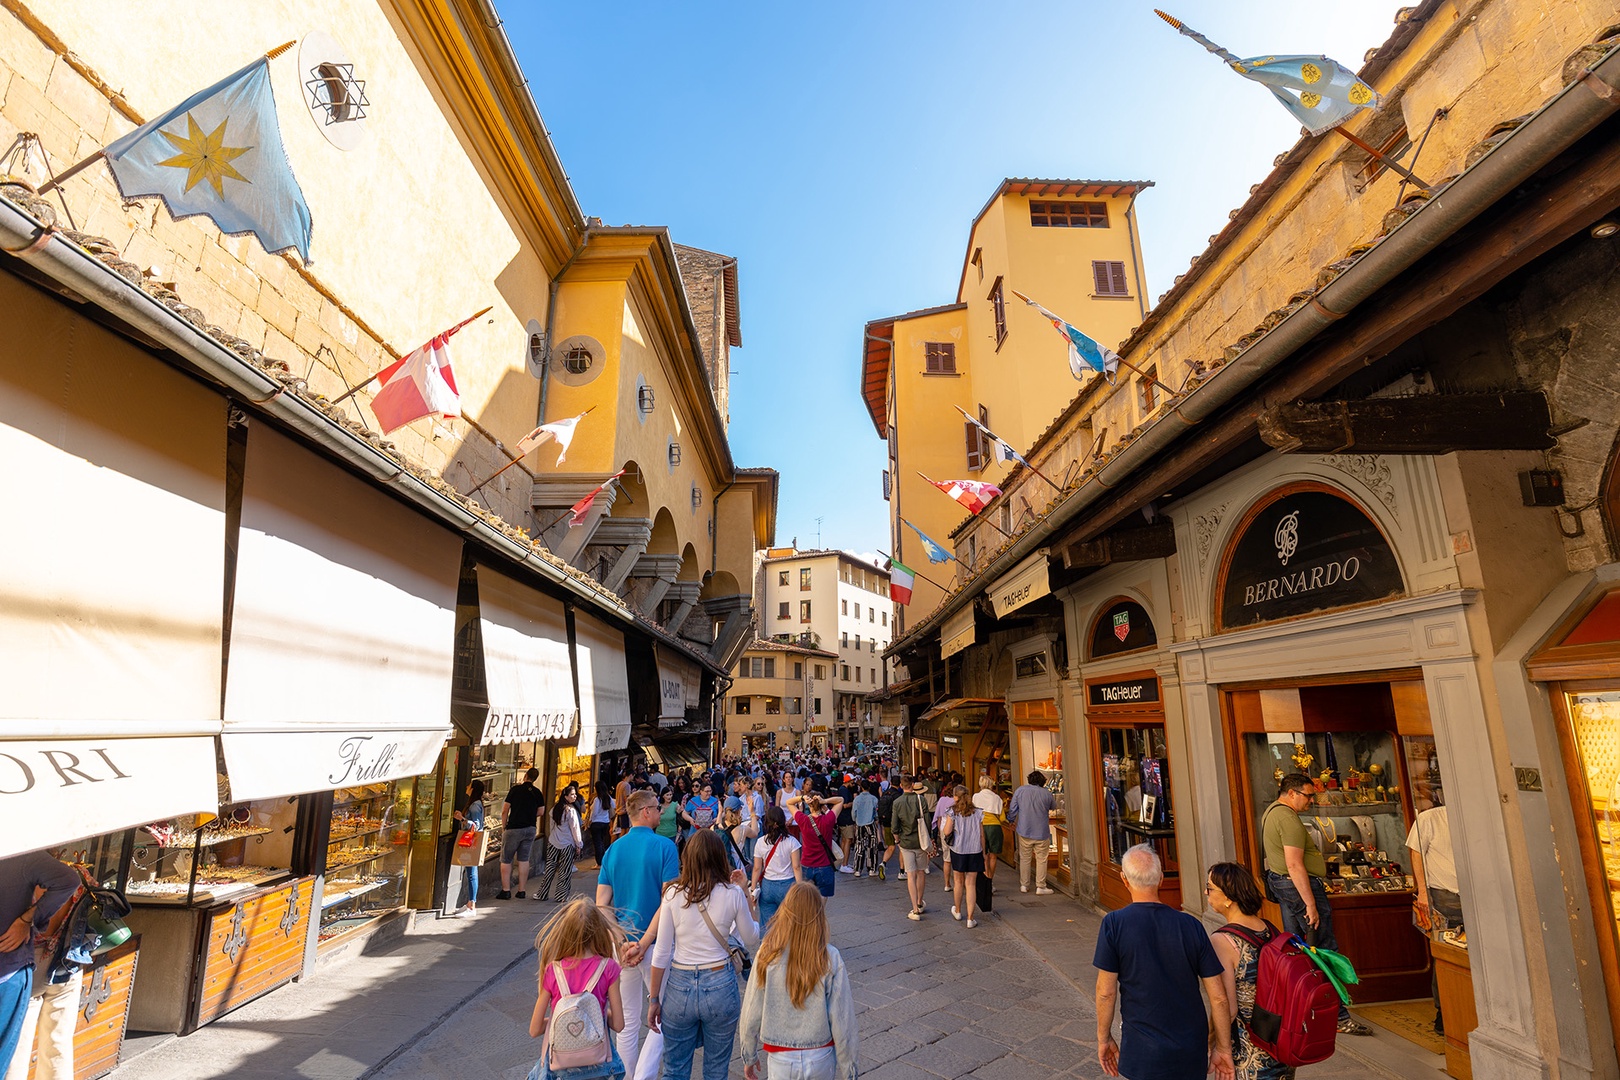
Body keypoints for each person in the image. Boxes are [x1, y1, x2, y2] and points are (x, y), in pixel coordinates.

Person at [1093, 845, 1234, 1080]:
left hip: (1142, 1047)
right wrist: (1223, 1048)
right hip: (1190, 1048)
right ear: (1160, 879)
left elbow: (1106, 992)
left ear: (1124, 879)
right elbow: (1219, 997)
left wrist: (1103, 1037)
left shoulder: (1114, 924)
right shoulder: (1191, 925)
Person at [1261, 773, 1369, 1035]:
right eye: (1308, 795)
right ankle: (1339, 1017)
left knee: (1299, 951)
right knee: (1323, 950)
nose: (1311, 801)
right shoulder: (1288, 818)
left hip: (1284, 885)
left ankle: (1299, 1009)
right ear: (1292, 794)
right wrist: (1310, 903)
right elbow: (1295, 864)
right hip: (1299, 887)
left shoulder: (1271, 812)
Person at [647, 830, 760, 1080]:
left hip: (679, 984)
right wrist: (746, 892)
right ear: (720, 857)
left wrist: (654, 998)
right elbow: (752, 937)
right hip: (719, 981)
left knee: (674, 1069)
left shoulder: (673, 895)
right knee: (716, 1070)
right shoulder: (732, 894)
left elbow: (662, 953)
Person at [596, 789, 681, 1079]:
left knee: (628, 1021)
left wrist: (621, 941)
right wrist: (643, 944)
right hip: (655, 944)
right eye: (657, 808)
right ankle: (643, 1076)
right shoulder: (665, 847)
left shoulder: (613, 849)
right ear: (646, 811)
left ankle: (627, 1074)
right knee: (663, 1017)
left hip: (622, 949)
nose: (660, 812)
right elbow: (668, 900)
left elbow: (602, 903)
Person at [737, 883, 859, 1080]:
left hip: (780, 1056)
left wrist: (748, 1055)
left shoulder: (767, 954)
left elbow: (751, 1010)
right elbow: (843, 1019)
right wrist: (849, 1070)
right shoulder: (830, 957)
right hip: (820, 1054)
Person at [1206, 862, 1293, 1080]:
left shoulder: (1222, 941)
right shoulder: (1269, 929)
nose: (1205, 892)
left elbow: (1227, 1006)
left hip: (1248, 1053)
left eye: (1209, 888)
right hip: (1281, 1045)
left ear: (1228, 897)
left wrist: (1212, 1043)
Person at [526, 897, 626, 1080]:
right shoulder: (609, 968)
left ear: (565, 932)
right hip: (598, 1066)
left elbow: (534, 1029)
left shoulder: (552, 970)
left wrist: (562, 1018)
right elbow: (618, 1024)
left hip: (561, 1070)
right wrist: (593, 1015)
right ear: (600, 932)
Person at [0, 854, 80, 1077]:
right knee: (55, 1041)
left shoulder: (23, 857)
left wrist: (27, 920)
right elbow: (68, 880)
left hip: (22, 969)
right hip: (16, 970)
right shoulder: (22, 855)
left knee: (28, 1048)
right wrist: (27, 920)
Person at [1406, 798, 1461, 1035]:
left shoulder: (1473, 818)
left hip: (1475, 895)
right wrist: (1422, 891)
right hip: (1442, 895)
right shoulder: (1430, 818)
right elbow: (1415, 852)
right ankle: (1444, 1012)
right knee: (1444, 954)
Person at [751, 808, 804, 934]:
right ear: (783, 821)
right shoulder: (792, 842)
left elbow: (757, 868)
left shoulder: (760, 842)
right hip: (788, 884)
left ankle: (766, 949)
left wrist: (753, 889)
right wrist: (800, 886)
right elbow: (796, 867)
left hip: (768, 886)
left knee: (767, 924)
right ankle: (788, 949)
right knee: (790, 921)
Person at [939, 784, 985, 929]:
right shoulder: (977, 812)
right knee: (971, 884)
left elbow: (947, 832)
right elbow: (982, 834)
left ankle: (958, 911)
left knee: (958, 881)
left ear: (955, 797)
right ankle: (971, 918)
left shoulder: (952, 812)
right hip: (975, 849)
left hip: (958, 850)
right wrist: (983, 852)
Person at [890, 776, 934, 921]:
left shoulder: (897, 802)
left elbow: (894, 827)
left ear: (902, 786)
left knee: (911, 875)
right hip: (921, 842)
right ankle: (920, 902)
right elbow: (928, 822)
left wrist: (897, 840)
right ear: (913, 785)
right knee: (921, 872)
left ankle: (914, 909)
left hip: (906, 842)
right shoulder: (921, 800)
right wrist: (931, 839)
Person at [784, 792, 843, 898]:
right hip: (825, 865)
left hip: (807, 864)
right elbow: (840, 800)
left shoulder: (803, 820)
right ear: (821, 805)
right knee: (823, 899)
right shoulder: (829, 819)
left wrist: (802, 798)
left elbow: (789, 803)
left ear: (809, 805)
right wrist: (825, 801)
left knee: (808, 899)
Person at [1007, 770, 1056, 895]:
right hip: (1041, 831)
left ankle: (1024, 884)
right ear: (1042, 782)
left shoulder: (1020, 791)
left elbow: (1013, 808)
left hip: (1025, 829)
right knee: (1041, 859)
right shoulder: (1046, 793)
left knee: (1025, 858)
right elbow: (1053, 807)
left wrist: (1011, 820)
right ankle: (1040, 886)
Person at [501, 768, 546, 900]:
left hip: (514, 828)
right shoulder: (537, 792)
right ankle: (521, 890)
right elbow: (541, 812)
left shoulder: (515, 790)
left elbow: (505, 810)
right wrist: (530, 815)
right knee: (524, 859)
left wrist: (504, 826)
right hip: (530, 829)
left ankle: (506, 890)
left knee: (506, 859)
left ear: (525, 776)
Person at [538, 787, 585, 903]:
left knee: (549, 869)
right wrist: (579, 844)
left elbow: (551, 827)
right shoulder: (570, 811)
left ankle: (542, 894)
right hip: (567, 844)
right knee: (565, 870)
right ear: (566, 796)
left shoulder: (554, 809)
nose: (574, 796)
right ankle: (561, 896)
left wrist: (552, 838)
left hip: (554, 842)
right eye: (572, 794)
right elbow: (575, 830)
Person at [452, 779, 487, 916]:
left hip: (472, 841)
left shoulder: (474, 806)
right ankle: (469, 903)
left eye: (469, 785)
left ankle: (472, 905)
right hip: (471, 841)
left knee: (472, 872)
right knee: (471, 872)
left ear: (472, 789)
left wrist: (461, 818)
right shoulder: (475, 804)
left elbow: (476, 826)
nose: (466, 786)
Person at [972, 776, 1005, 884]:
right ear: (991, 784)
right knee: (993, 856)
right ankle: (990, 881)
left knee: (984, 855)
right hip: (995, 827)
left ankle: (985, 880)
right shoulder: (997, 798)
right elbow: (1002, 818)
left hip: (980, 826)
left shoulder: (975, 797)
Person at [850, 781, 882, 879]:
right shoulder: (873, 799)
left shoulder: (857, 799)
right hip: (870, 823)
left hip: (859, 824)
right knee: (872, 846)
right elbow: (876, 813)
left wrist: (855, 820)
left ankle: (857, 869)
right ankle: (872, 868)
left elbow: (853, 813)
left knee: (859, 846)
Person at [587, 785, 614, 867]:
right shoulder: (608, 797)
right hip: (605, 822)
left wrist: (590, 820)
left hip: (596, 822)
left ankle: (599, 862)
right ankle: (603, 860)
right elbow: (613, 806)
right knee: (601, 842)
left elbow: (594, 812)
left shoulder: (597, 799)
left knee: (597, 842)